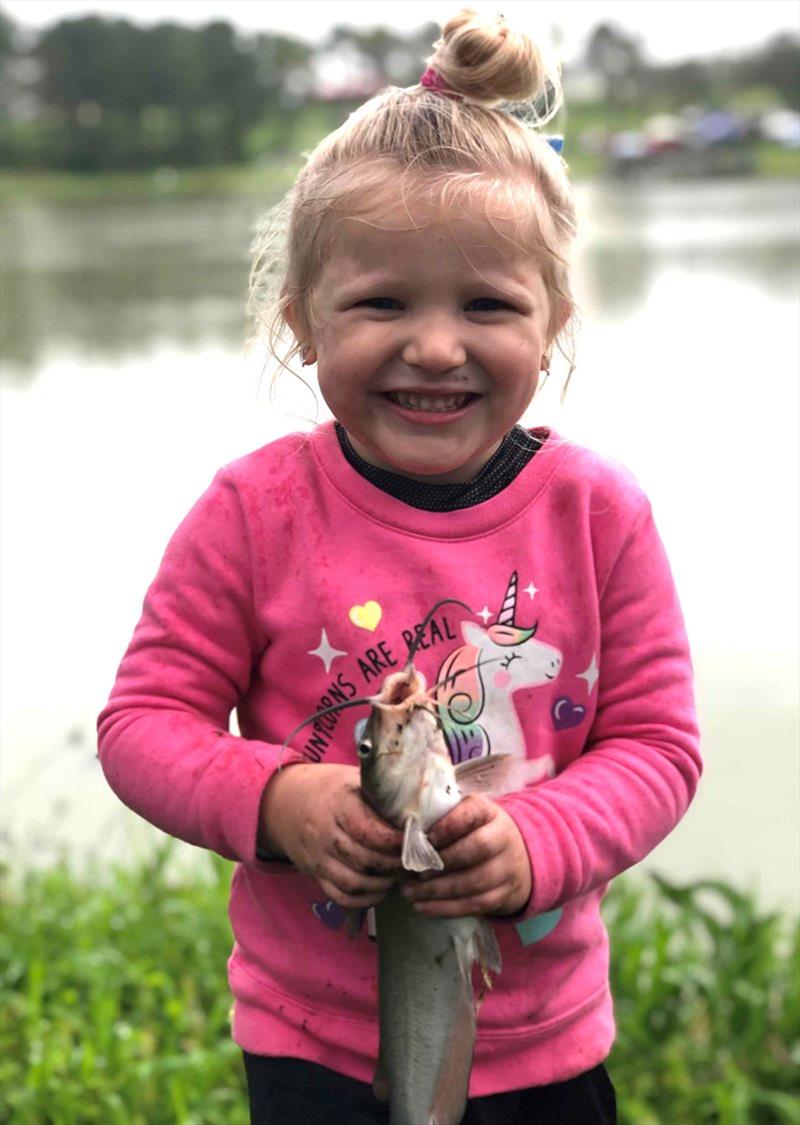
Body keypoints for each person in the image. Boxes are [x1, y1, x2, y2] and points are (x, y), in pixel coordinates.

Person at [98, 10, 701, 1124]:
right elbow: (142, 725)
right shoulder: (253, 512)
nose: (435, 346)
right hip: (311, 1048)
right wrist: (278, 800)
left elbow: (658, 747)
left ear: (553, 319)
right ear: (303, 322)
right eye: (381, 303)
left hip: (548, 1046)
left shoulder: (597, 512)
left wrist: (539, 839)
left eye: (486, 305)